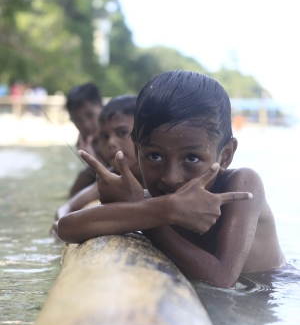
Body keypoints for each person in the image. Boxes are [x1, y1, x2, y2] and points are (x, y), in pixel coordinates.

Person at [58, 70, 286, 288]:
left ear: (225, 155)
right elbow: (66, 227)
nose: (170, 178)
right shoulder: (158, 202)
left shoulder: (243, 185)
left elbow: (222, 279)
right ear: (137, 150)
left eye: (191, 158)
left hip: (271, 291)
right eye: (154, 156)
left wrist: (152, 217)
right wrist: (160, 210)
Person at [51, 95, 140, 236]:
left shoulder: (159, 175)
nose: (111, 142)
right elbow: (67, 207)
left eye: (122, 133)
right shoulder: (112, 176)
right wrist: (61, 222)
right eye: (104, 137)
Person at [65, 82, 107, 196]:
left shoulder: (117, 136)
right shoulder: (83, 142)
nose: (86, 125)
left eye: (90, 115)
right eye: (77, 120)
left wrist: (94, 161)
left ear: (102, 107)